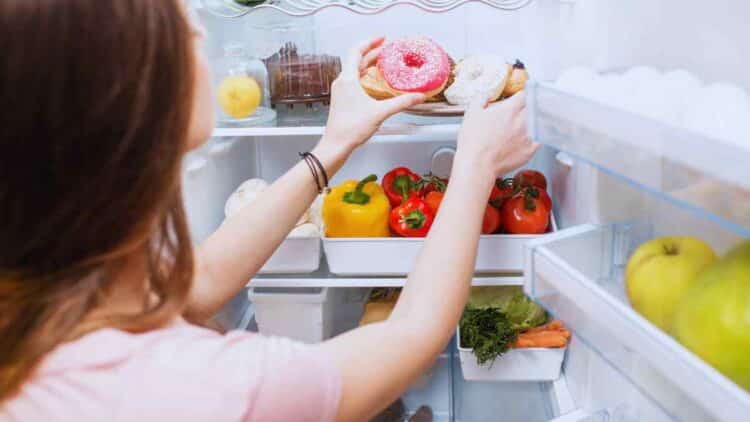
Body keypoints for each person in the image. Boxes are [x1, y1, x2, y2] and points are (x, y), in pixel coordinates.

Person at [0, 1, 538, 421]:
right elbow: (411, 337)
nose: (201, 33)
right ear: (126, 100)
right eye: (180, 24)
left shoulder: (42, 306)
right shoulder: (207, 391)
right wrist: (475, 163)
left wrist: (335, 146)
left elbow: (201, 283)